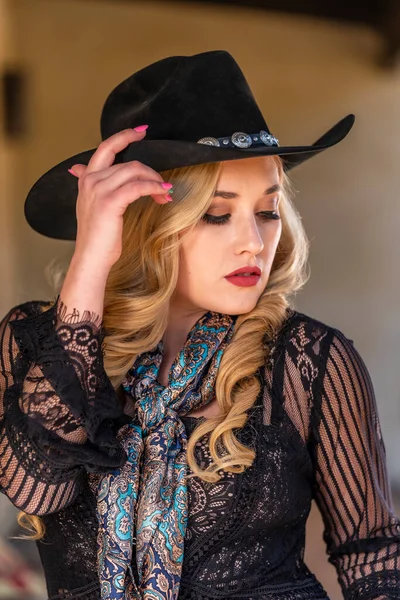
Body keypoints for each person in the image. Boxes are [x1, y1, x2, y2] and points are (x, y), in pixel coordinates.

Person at [0, 50, 399, 600]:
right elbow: (38, 490)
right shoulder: (33, 340)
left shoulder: (309, 360)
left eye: (267, 211)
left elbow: (374, 554)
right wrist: (90, 264)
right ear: (143, 222)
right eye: (217, 214)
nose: (253, 243)